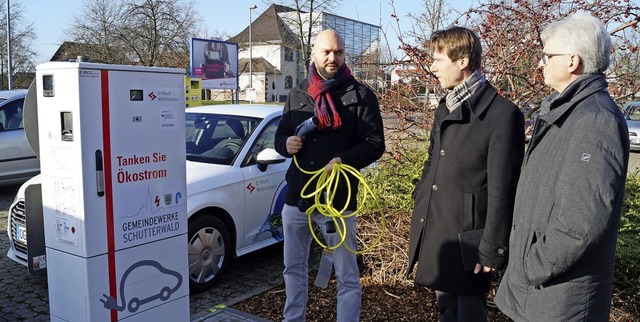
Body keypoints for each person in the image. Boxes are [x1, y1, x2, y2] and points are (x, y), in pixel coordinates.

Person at [495, 12, 629, 321]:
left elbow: (580, 225)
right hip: (539, 293)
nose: (540, 63)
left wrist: (529, 267)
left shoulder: (594, 121)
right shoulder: (567, 113)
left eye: (547, 55)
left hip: (559, 299)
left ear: (572, 61)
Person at [406, 26, 525, 321]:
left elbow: (503, 188)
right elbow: (432, 162)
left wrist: (492, 247)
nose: (432, 67)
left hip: (469, 241)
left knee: (470, 313)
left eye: (438, 59)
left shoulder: (503, 115)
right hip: (438, 228)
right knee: (446, 309)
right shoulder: (445, 107)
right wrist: (421, 194)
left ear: (463, 61)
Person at [274, 29, 385, 322]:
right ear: (314, 54)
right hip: (298, 197)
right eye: (326, 52)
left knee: (347, 273)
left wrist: (343, 160)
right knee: (293, 268)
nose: (332, 58)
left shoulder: (360, 95)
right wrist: (286, 144)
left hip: (337, 198)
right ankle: (293, 318)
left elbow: (375, 144)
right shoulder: (298, 92)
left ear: (344, 54)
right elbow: (280, 135)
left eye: (338, 52)